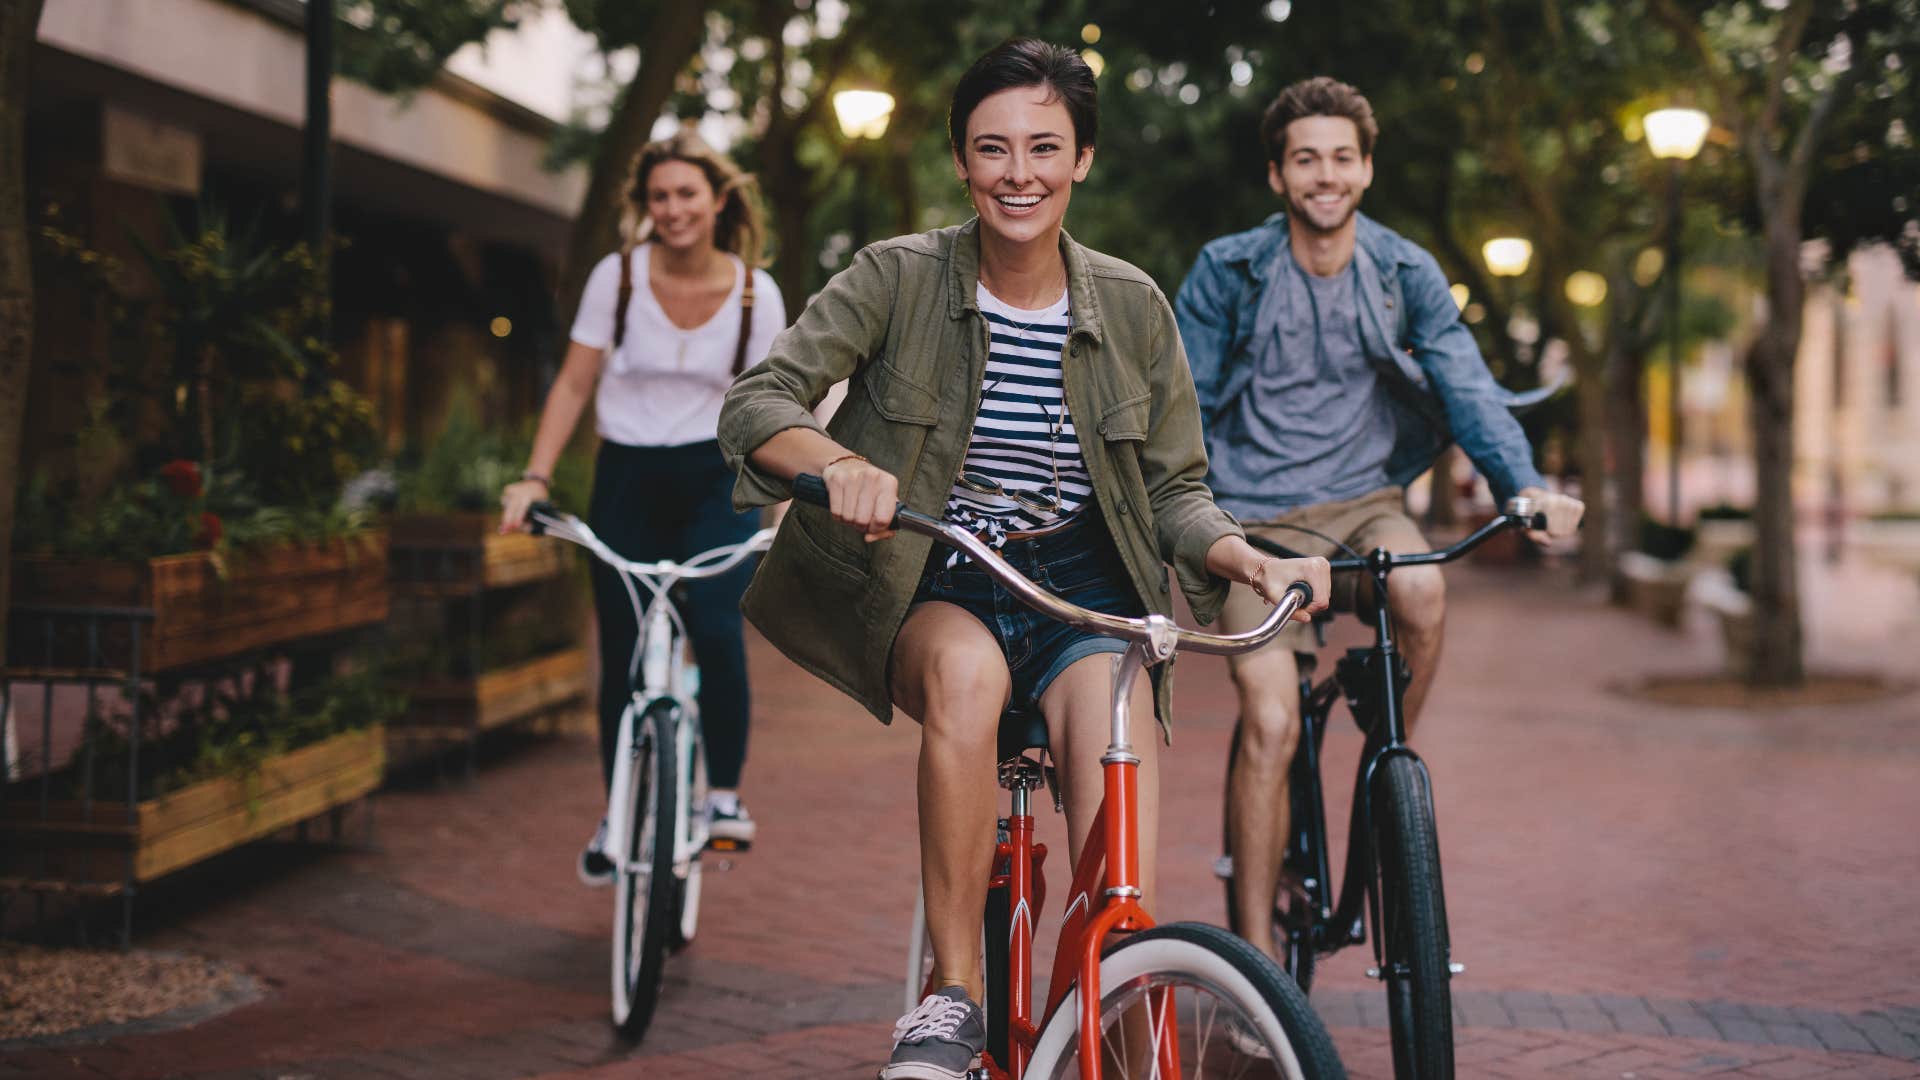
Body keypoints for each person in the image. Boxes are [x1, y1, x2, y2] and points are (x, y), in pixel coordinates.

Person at [718, 39, 1330, 1080]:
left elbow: (1177, 489)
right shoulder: (897, 276)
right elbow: (756, 405)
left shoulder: (1134, 306)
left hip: (1084, 589)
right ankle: (951, 998)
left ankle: (1116, 1002)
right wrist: (836, 464)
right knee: (968, 674)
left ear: (1083, 158)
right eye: (992, 148)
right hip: (940, 573)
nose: (1019, 173)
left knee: (1112, 820)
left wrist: (1242, 556)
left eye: (1045, 147)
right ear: (961, 160)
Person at [1173, 76, 1585, 963]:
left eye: (1342, 158)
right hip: (1253, 524)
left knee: (1428, 591)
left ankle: (1380, 770)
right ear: (1279, 176)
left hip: (1367, 507)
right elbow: (1185, 412)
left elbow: (1467, 388)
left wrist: (1524, 485)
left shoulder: (1403, 272)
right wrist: (1194, 525)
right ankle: (1254, 972)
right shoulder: (1227, 271)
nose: (1326, 175)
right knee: (1273, 722)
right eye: (1306, 159)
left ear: (1366, 169)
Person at [500, 132, 787, 878]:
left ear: (718, 200)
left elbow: (782, 404)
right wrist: (535, 475)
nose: (672, 209)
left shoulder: (756, 290)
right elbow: (572, 384)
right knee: (623, 653)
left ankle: (722, 795)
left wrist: (787, 507)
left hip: (717, 476)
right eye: (659, 196)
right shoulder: (616, 278)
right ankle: (619, 810)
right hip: (625, 476)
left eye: (687, 193)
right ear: (646, 205)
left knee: (717, 626)